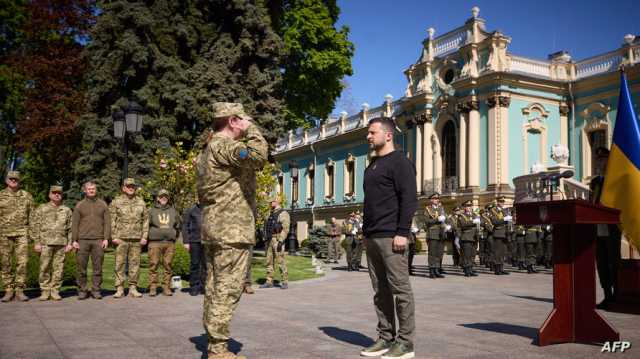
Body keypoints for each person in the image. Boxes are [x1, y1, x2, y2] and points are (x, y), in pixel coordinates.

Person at [196, 102, 267, 359]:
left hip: (216, 227)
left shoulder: (207, 149)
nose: (246, 124)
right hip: (231, 230)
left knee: (215, 286)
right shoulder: (224, 145)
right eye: (243, 120)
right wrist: (253, 130)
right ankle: (218, 349)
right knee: (228, 288)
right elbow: (258, 156)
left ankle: (213, 341)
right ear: (233, 121)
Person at [360, 117, 417, 359]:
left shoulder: (400, 162)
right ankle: (385, 337)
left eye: (373, 132)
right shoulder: (371, 165)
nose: (369, 136)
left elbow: (409, 199)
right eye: (368, 133)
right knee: (379, 290)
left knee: (400, 290)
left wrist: (402, 232)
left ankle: (405, 343)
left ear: (388, 135)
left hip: (392, 236)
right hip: (372, 236)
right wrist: (365, 233)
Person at [590, 147, 622, 310]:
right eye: (598, 160)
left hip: (613, 227)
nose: (599, 163)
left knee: (613, 262)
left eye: (603, 160)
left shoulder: (615, 180)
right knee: (601, 263)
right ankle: (607, 295)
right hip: (598, 227)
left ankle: (618, 294)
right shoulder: (595, 181)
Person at [31, 185, 73, 301]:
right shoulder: (42, 208)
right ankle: (45, 291)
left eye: (59, 193)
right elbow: (35, 226)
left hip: (61, 243)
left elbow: (70, 228)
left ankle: (55, 290)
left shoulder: (66, 210)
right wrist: (36, 242)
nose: (57, 194)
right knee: (44, 267)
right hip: (45, 243)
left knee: (58, 268)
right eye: (54, 193)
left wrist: (70, 243)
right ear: (49, 194)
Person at [109, 178, 149, 298]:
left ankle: (133, 288)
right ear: (123, 188)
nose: (131, 188)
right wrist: (113, 236)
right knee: (119, 264)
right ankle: (120, 288)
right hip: (121, 238)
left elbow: (145, 220)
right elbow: (112, 220)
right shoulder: (116, 202)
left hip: (136, 239)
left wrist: (144, 236)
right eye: (128, 186)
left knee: (135, 264)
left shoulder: (141, 202)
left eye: (133, 186)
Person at [72, 181, 110, 300]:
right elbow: (75, 224)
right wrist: (74, 240)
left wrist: (106, 238)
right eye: (89, 189)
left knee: (97, 268)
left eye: (93, 189)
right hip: (82, 240)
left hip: (98, 240)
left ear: (96, 190)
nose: (91, 191)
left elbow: (107, 223)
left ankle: (96, 290)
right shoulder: (80, 205)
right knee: (81, 268)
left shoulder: (103, 205)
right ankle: (82, 290)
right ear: (85, 191)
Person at [0, 171, 35, 302]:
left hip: (22, 234)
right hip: (4, 234)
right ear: (6, 180)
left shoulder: (27, 196)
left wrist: (33, 235)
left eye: (16, 179)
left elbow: (33, 216)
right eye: (11, 179)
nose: (13, 181)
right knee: (5, 263)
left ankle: (20, 290)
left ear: (19, 181)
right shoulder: (1, 195)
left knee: (23, 262)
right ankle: (9, 290)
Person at [147, 189, 180, 296]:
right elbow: (146, 226)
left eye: (165, 196)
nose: (163, 198)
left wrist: (174, 236)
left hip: (169, 243)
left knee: (168, 266)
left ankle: (166, 287)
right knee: (154, 265)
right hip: (155, 243)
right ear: (158, 198)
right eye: (161, 196)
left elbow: (178, 226)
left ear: (168, 198)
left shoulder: (173, 211)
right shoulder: (151, 211)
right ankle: (153, 287)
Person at [260, 197, 290, 289]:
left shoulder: (283, 213)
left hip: (277, 240)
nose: (270, 203)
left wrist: (281, 241)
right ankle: (269, 281)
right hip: (269, 239)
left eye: (271, 202)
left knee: (280, 261)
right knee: (269, 261)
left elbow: (285, 229)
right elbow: (266, 225)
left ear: (276, 202)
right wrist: (264, 237)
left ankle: (284, 281)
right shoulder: (269, 213)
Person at [182, 202, 206, 296]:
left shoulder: (209, 208)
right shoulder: (191, 209)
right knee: (195, 264)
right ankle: (194, 286)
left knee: (205, 265)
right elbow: (185, 226)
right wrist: (186, 241)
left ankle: (204, 286)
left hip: (207, 241)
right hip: (194, 240)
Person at [423, 192, 447, 279]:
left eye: (437, 199)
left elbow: (444, 219)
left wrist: (446, 225)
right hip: (432, 233)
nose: (436, 200)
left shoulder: (441, 208)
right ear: (431, 200)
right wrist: (437, 219)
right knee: (432, 253)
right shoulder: (427, 209)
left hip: (441, 233)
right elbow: (426, 221)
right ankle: (431, 270)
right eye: (434, 199)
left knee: (439, 253)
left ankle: (437, 270)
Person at [489, 196, 513, 275]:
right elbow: (494, 222)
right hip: (498, 233)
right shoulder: (493, 210)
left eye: (503, 201)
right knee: (497, 252)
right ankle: (497, 269)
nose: (502, 203)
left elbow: (508, 221)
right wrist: (504, 219)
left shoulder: (504, 211)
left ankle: (501, 268)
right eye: (500, 201)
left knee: (503, 252)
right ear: (497, 202)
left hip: (505, 233)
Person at [457, 200, 479, 277]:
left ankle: (471, 269)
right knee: (466, 255)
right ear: (464, 207)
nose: (469, 207)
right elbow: (463, 224)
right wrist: (473, 221)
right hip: (466, 237)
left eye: (470, 206)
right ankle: (467, 270)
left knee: (472, 254)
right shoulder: (461, 215)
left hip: (474, 237)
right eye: (467, 206)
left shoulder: (474, 215)